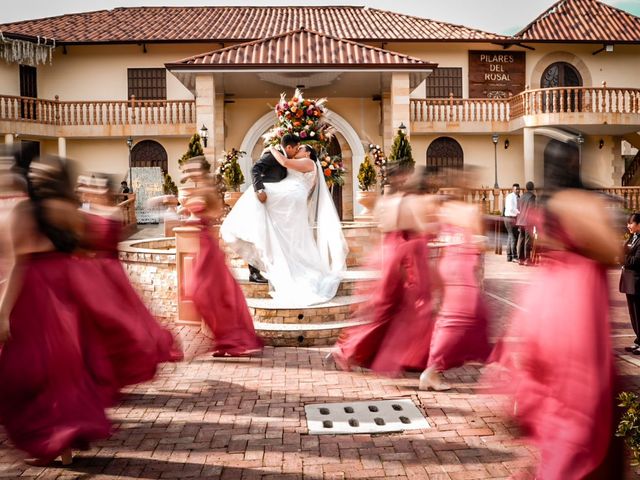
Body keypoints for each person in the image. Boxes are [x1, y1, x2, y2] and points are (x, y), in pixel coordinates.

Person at [486, 140, 624, 479]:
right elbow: (610, 251)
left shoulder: (545, 204)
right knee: (581, 403)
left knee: (555, 397)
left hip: (546, 299)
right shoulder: (582, 203)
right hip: (577, 305)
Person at [0, 156, 111, 466]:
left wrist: (2, 311)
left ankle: (50, 440)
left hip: (35, 293)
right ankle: (65, 446)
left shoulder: (25, 210)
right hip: (67, 293)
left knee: (31, 368)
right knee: (65, 369)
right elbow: (86, 253)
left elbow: (19, 263)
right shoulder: (73, 212)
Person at [330, 167, 440, 375]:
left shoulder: (388, 201)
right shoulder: (412, 201)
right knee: (409, 308)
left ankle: (397, 355)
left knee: (388, 310)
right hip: (408, 255)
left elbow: (384, 229)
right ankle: (350, 349)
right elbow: (421, 228)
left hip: (390, 253)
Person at [221, 138, 347, 307]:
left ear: (308, 152)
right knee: (286, 235)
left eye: (301, 148)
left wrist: (273, 149)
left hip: (291, 193)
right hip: (294, 195)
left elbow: (285, 162)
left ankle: (240, 232)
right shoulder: (308, 166)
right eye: (298, 147)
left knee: (254, 194)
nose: (299, 150)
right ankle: (259, 257)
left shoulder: (308, 162)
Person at [181, 157, 263, 357]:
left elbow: (215, 212)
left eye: (191, 169)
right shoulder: (200, 188)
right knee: (203, 295)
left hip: (209, 249)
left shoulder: (209, 189)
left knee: (208, 294)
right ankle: (224, 341)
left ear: (200, 170)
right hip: (202, 248)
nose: (188, 173)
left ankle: (231, 340)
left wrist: (200, 217)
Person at [419, 171, 491, 391]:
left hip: (447, 265)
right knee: (455, 320)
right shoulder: (470, 211)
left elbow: (432, 232)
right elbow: (479, 243)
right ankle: (432, 370)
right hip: (463, 268)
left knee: (474, 316)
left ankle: (485, 358)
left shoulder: (444, 210)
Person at [620, 212, 640, 355]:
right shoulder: (633, 237)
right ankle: (638, 341)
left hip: (638, 282)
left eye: (631, 223)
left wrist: (622, 259)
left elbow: (637, 261)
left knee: (639, 314)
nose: (628, 225)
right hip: (629, 281)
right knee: (633, 314)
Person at [516, 181, 536, 265]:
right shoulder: (532, 197)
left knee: (521, 239)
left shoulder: (522, 196)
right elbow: (532, 209)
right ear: (533, 188)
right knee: (528, 240)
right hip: (528, 221)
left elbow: (518, 208)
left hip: (520, 220)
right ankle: (527, 259)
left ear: (526, 188)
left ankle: (520, 259)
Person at [503, 183, 520, 262]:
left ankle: (509, 256)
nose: (517, 190)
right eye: (516, 189)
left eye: (518, 189)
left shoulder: (517, 197)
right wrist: (519, 212)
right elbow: (510, 209)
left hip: (511, 218)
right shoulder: (510, 197)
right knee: (513, 238)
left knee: (510, 237)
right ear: (513, 189)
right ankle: (514, 257)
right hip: (509, 218)